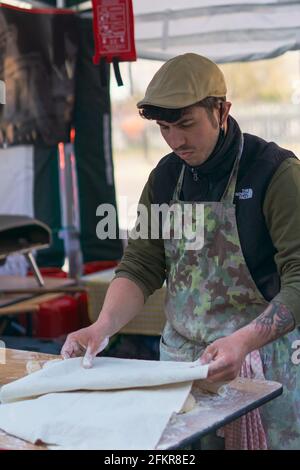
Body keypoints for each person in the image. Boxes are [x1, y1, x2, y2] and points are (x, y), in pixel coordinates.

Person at [62, 53, 300, 449]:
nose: (176, 141)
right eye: (164, 128)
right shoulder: (166, 177)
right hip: (182, 369)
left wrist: (241, 342)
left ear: (221, 110)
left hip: (260, 365)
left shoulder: (274, 173)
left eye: (186, 125)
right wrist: (101, 328)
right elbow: (140, 266)